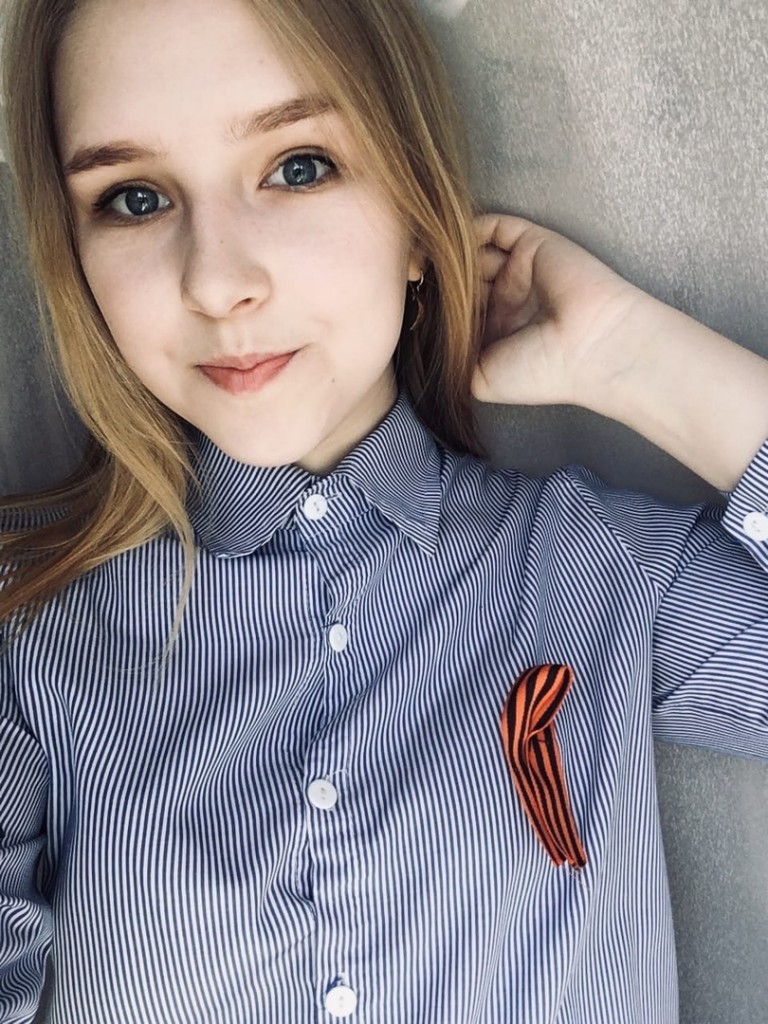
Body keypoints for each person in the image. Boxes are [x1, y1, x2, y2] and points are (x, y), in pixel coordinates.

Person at [0, 0, 766, 1021]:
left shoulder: (594, 569)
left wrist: (633, 356)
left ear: (416, 213)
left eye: (298, 167)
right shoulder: (29, 620)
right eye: (133, 199)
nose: (217, 282)